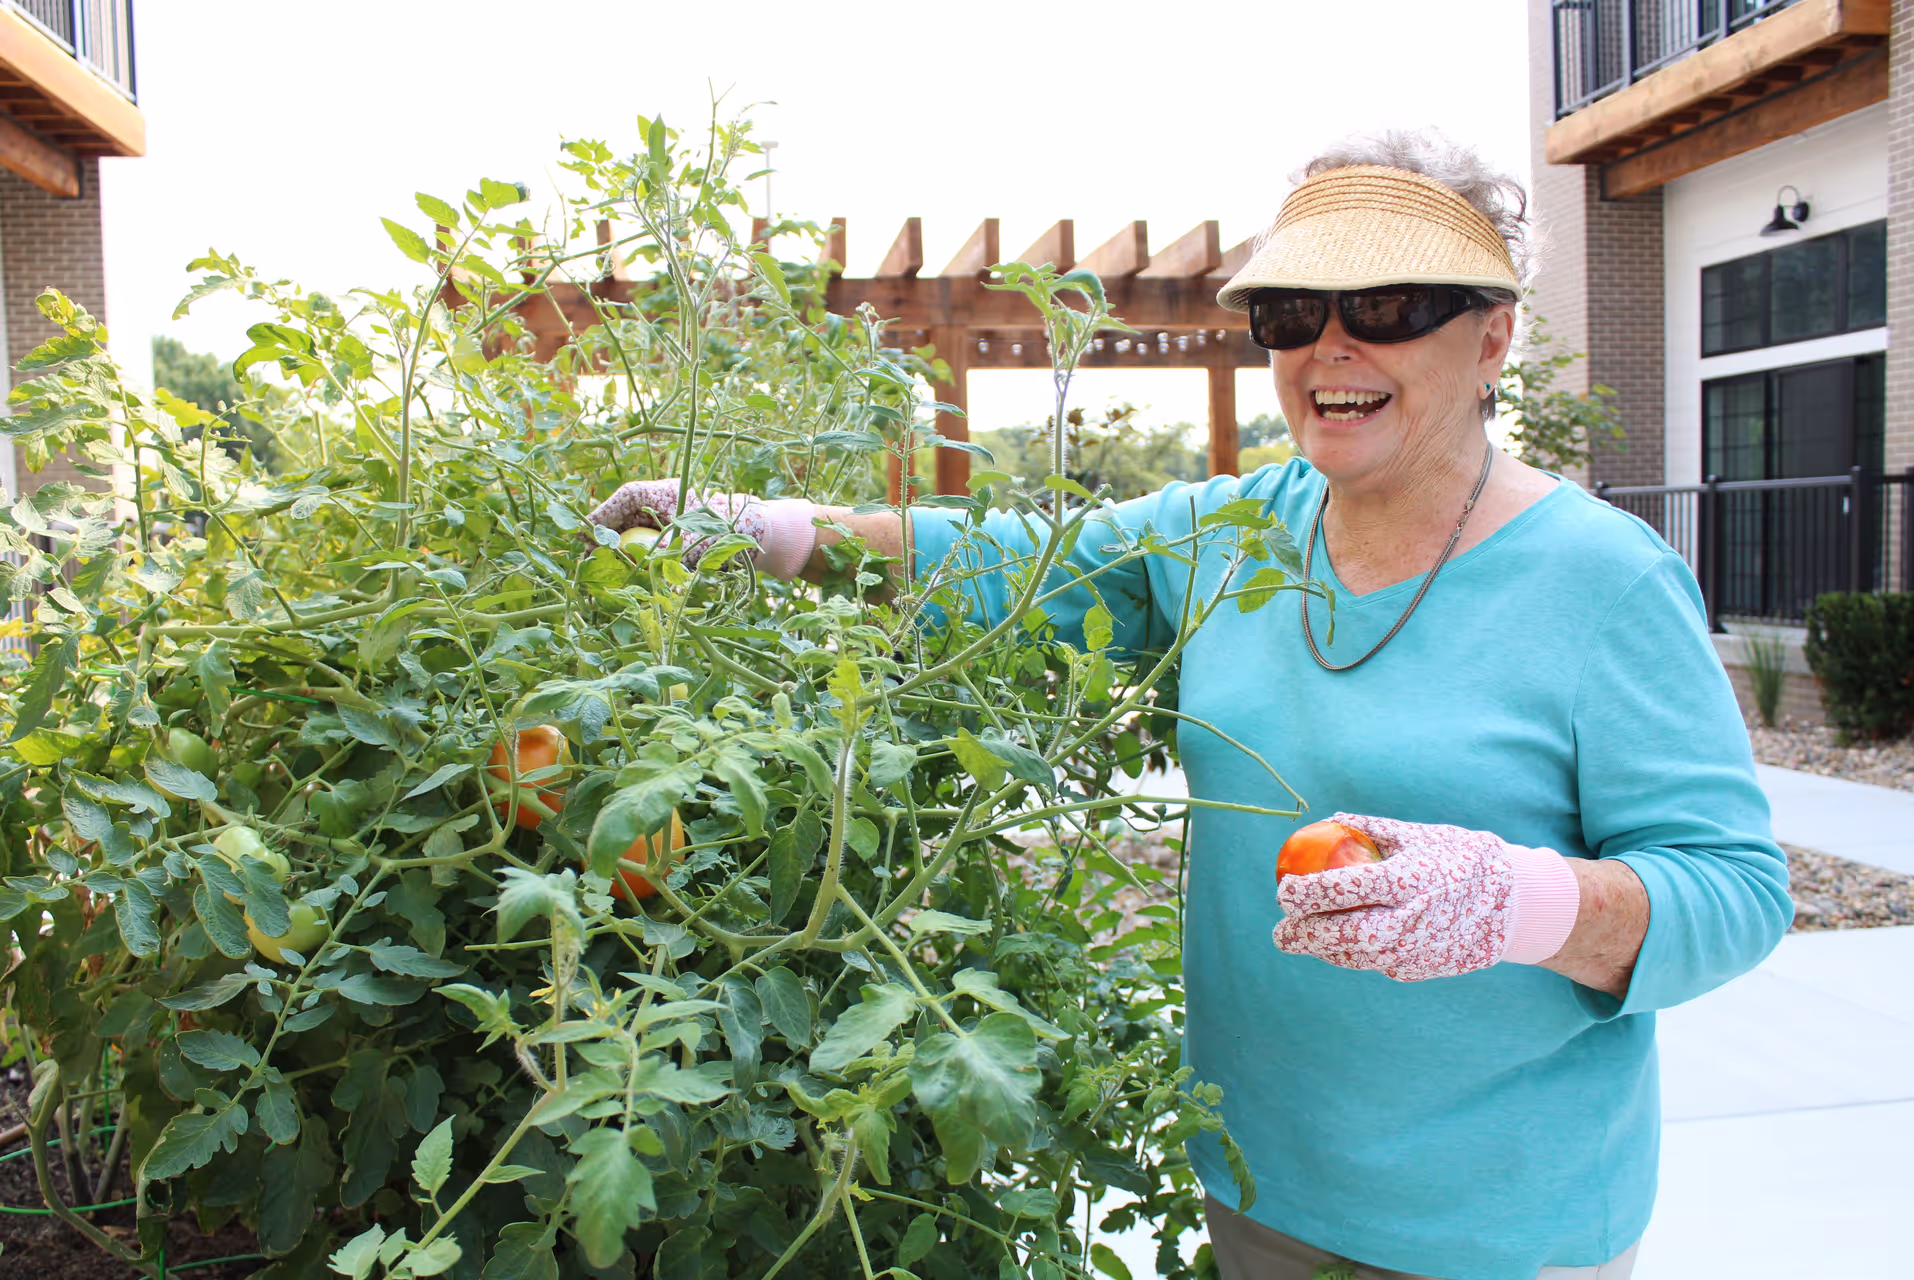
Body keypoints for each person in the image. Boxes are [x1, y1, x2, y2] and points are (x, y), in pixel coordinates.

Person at [587, 131, 1790, 1280]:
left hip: (1497, 1215)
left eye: (1386, 307)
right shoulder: (1231, 530)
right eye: (1291, 312)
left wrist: (1516, 899)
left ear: (1493, 339)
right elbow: (1014, 563)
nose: (1331, 346)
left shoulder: (1604, 580)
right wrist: (772, 532)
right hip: (1260, 1177)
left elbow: (1734, 891)